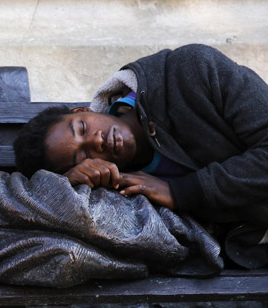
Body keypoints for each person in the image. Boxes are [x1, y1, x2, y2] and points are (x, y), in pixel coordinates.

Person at [13, 44, 268, 267]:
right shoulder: (121, 189)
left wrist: (180, 192)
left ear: (82, 109)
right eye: (83, 156)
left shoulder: (189, 70)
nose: (96, 141)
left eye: (82, 127)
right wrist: (69, 184)